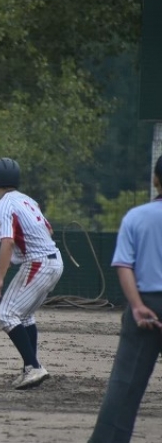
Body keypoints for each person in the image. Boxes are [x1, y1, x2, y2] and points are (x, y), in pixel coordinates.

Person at [88, 154, 162, 443]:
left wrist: (137, 306)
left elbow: (124, 265)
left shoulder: (136, 217)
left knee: (125, 385)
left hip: (146, 303)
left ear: (155, 180)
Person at [0, 157, 63, 389]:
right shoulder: (27, 200)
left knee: (6, 315)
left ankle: (34, 367)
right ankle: (30, 368)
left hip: (39, 262)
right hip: (54, 260)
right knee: (25, 316)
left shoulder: (3, 205)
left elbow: (8, 241)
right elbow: (48, 230)